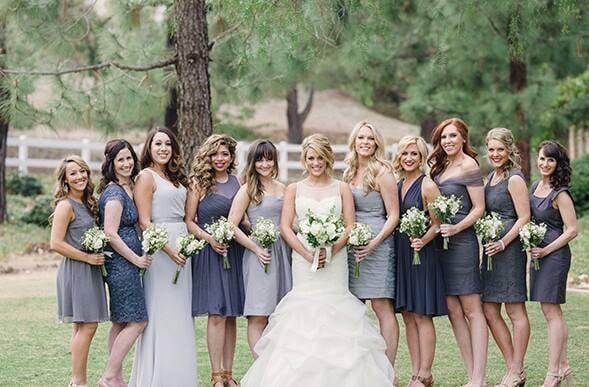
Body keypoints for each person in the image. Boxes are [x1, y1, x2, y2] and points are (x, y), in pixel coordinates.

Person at [241, 134, 395, 387]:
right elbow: (286, 228)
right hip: (304, 263)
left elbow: (349, 225)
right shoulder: (294, 189)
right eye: (311, 158)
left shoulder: (341, 188)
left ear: (328, 159)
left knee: (337, 311)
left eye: (320, 158)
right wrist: (306, 252)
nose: (315, 163)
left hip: (334, 262)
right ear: (304, 159)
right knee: (304, 312)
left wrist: (332, 249)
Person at [130, 128, 197, 386]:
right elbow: (144, 221)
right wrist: (168, 249)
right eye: (158, 143)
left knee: (180, 311)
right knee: (162, 310)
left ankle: (179, 376)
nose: (163, 148)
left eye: (168, 144)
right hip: (160, 250)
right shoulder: (146, 177)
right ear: (149, 147)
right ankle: (157, 377)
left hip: (182, 243)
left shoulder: (176, 177)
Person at [428, 118, 487, 387]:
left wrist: (457, 228)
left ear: (463, 138)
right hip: (441, 244)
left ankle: (479, 377)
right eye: (443, 137)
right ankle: (470, 373)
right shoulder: (440, 167)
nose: (448, 141)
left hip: (462, 243)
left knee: (472, 310)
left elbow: (478, 208)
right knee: (453, 310)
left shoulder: (469, 165)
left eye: (453, 136)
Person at [186, 134, 245, 387]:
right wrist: (210, 239)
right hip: (210, 252)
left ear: (231, 157)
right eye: (215, 154)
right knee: (217, 314)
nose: (219, 159)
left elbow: (243, 216)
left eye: (224, 154)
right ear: (207, 156)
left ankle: (229, 374)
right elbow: (189, 221)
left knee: (231, 314)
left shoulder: (237, 182)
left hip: (234, 252)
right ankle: (216, 375)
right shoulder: (199, 183)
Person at [342, 121, 400, 373]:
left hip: (378, 246)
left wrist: (374, 244)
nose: (365, 142)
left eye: (370, 138)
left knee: (381, 306)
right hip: (352, 248)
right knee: (353, 307)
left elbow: (394, 216)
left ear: (377, 143)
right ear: (354, 142)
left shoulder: (383, 172)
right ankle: (361, 368)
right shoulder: (348, 172)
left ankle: (386, 370)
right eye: (361, 138)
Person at [227, 139, 292, 357]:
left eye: (269, 159)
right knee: (258, 314)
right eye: (260, 160)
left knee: (279, 313)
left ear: (275, 162)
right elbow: (231, 227)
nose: (265, 164)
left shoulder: (284, 188)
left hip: (283, 253)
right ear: (252, 162)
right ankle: (261, 370)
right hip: (259, 256)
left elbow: (290, 223)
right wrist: (255, 249)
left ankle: (277, 367)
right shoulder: (248, 190)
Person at [394, 136, 447, 387]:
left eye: (414, 154)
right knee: (407, 314)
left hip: (422, 254)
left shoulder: (427, 185)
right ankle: (415, 373)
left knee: (422, 313)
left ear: (422, 157)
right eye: (405, 153)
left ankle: (425, 372)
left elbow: (438, 224)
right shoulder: (398, 184)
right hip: (403, 254)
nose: (409, 158)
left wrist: (423, 241)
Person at [50, 155, 108, 387]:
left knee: (81, 326)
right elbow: (55, 243)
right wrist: (87, 257)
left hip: (91, 268)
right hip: (77, 270)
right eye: (73, 173)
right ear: (65, 180)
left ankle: (77, 382)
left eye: (82, 171)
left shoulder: (90, 203)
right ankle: (78, 382)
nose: (79, 176)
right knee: (89, 325)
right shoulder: (66, 206)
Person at [97, 140, 151, 387]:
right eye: (120, 160)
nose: (127, 163)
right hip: (121, 264)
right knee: (138, 321)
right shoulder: (115, 193)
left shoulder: (128, 187)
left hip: (126, 263)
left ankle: (116, 379)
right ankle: (109, 375)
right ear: (111, 164)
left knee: (120, 321)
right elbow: (110, 233)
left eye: (129, 158)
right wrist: (136, 259)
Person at [481, 128, 530, 387]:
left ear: (510, 150)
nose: (495, 154)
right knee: (489, 309)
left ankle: (517, 368)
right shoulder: (490, 177)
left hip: (509, 251)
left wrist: (502, 242)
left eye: (500, 149)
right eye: (491, 149)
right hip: (491, 252)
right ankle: (513, 366)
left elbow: (524, 217)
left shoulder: (514, 179)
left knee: (514, 309)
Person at [530, 141, 577, 387]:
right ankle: (564, 366)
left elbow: (572, 231)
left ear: (557, 164)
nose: (545, 164)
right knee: (548, 312)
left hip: (554, 256)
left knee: (552, 312)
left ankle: (553, 373)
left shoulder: (561, 193)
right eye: (542, 158)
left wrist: (546, 250)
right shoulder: (535, 186)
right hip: (537, 255)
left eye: (551, 160)